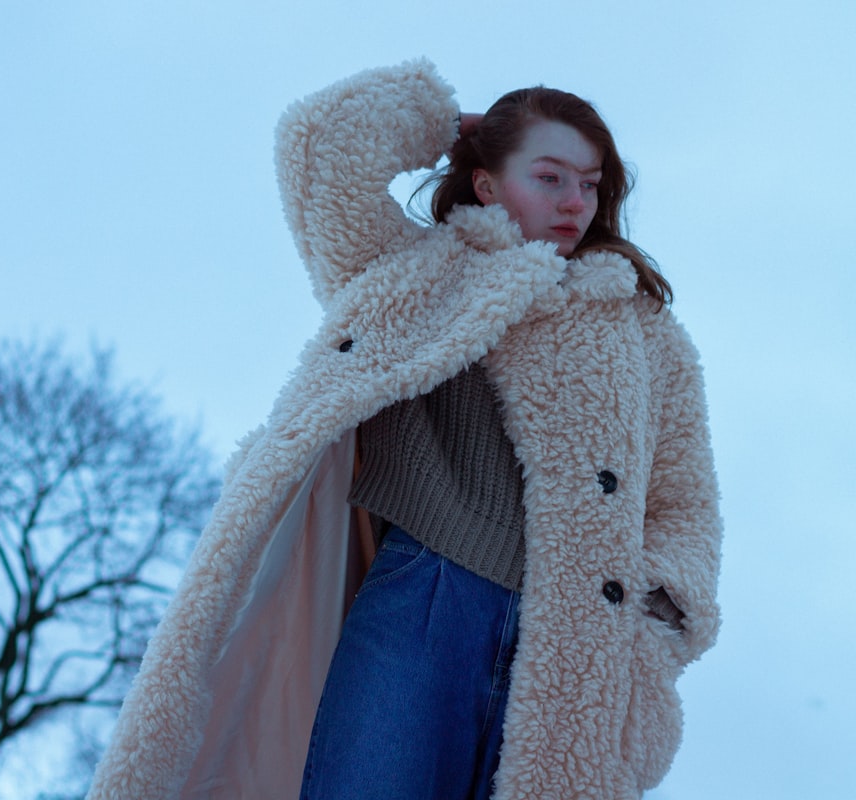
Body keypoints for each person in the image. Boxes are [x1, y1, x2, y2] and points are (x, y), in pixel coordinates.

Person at [87, 59, 722, 800]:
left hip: (579, 641)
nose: (576, 202)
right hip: (421, 599)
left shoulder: (643, 329)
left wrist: (657, 625)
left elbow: (684, 498)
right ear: (486, 182)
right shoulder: (411, 271)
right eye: (549, 176)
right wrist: (449, 124)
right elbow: (320, 146)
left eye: (590, 183)